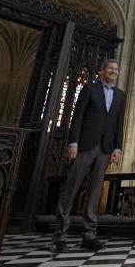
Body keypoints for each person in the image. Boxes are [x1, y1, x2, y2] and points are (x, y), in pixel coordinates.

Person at [51, 59, 126, 253]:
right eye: (110, 68)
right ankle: (60, 236)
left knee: (95, 192)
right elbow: (78, 117)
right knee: (71, 188)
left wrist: (117, 148)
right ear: (102, 71)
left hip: (105, 148)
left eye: (116, 69)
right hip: (85, 145)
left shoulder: (120, 95)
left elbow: (119, 123)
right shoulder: (89, 89)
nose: (113, 71)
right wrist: (73, 142)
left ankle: (89, 234)